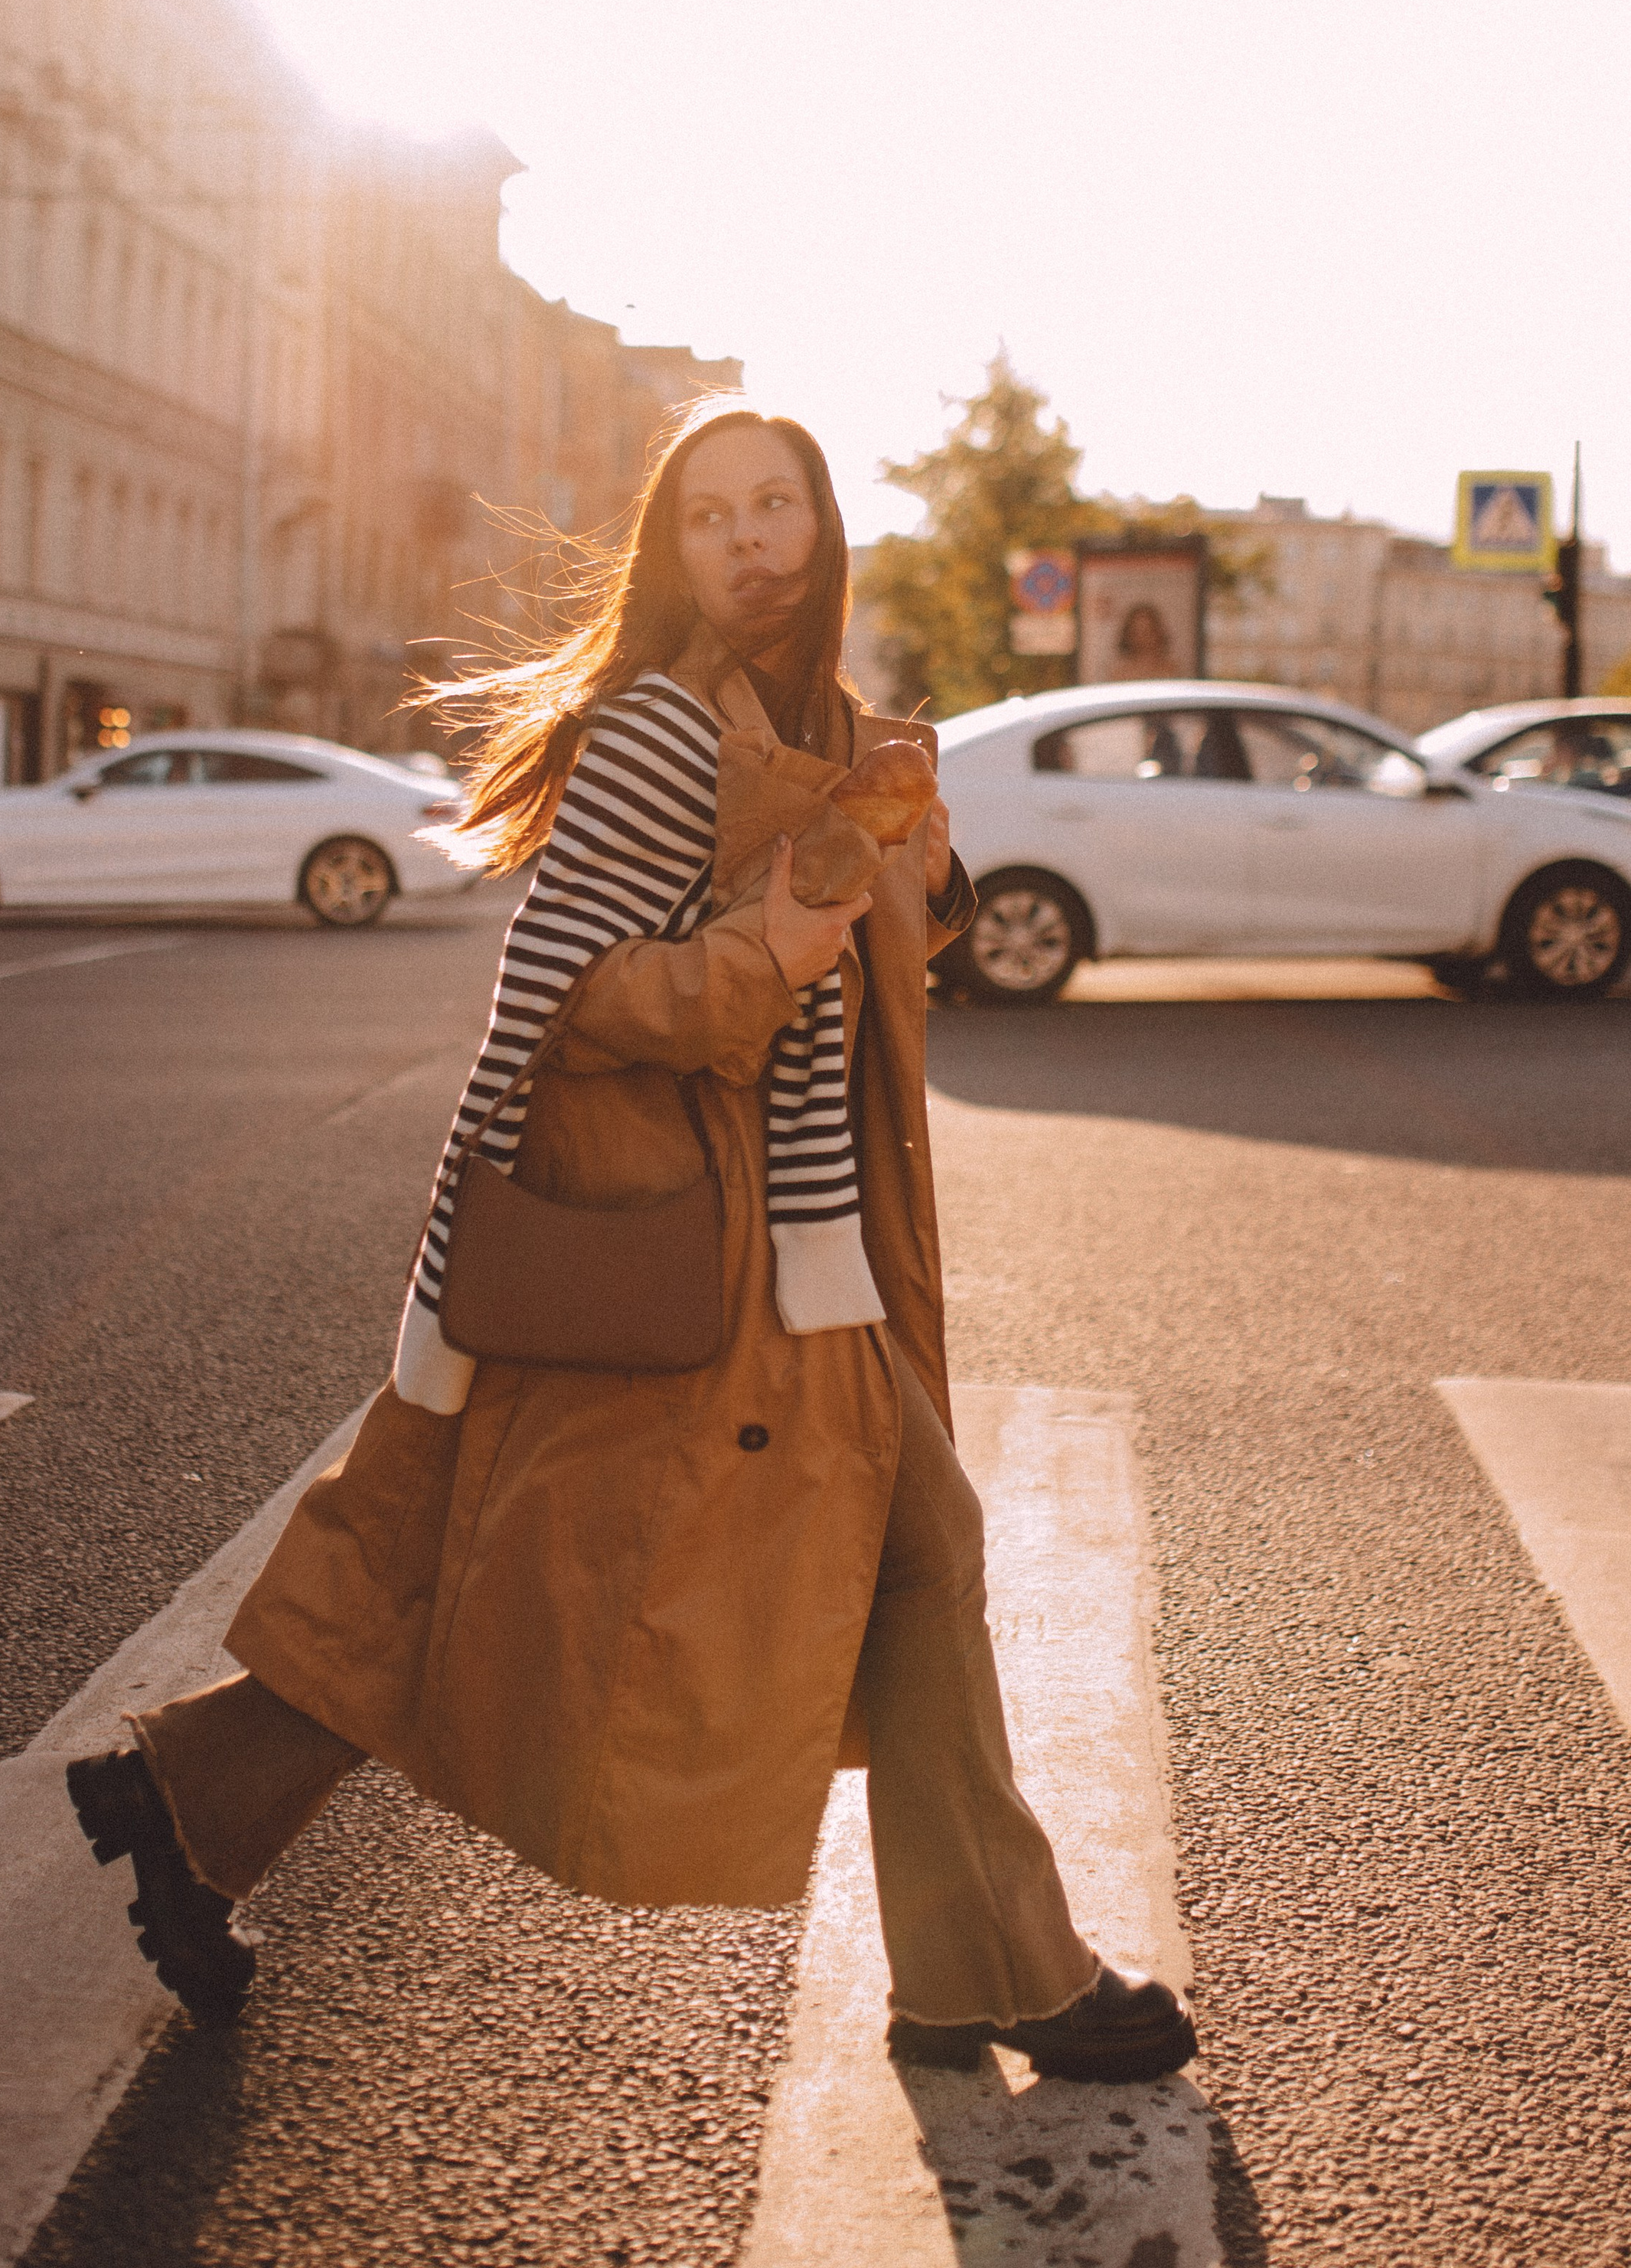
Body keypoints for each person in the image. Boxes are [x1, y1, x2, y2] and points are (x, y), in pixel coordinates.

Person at [67, 406, 1196, 2084]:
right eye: (708, 517)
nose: (748, 541)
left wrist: (915, 887)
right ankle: (996, 1977)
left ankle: (188, 1792)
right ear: (669, 553)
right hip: (707, 1268)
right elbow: (562, 995)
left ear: (824, 527)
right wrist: (789, 932)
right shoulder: (669, 730)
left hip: (798, 1254)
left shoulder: (831, 728)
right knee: (640, 1582)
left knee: (564, 1574)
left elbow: (843, 995)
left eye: (777, 506)